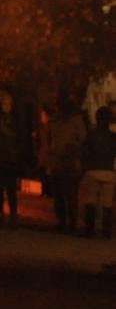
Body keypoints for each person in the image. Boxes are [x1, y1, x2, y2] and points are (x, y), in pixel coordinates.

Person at [47, 94, 87, 233]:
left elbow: (83, 140)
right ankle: (62, 221)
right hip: (58, 162)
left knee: (71, 195)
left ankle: (72, 222)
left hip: (71, 163)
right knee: (59, 195)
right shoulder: (55, 121)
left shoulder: (76, 121)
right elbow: (51, 140)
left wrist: (72, 149)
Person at [0, 88, 27, 228]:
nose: (7, 106)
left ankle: (13, 216)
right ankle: (0, 215)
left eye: (9, 103)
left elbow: (21, 137)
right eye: (4, 103)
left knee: (11, 189)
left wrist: (18, 153)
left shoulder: (16, 119)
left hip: (11, 158)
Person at [77, 106, 115, 239]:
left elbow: (83, 152)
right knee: (108, 203)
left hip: (92, 170)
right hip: (109, 171)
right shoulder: (113, 137)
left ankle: (90, 229)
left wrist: (84, 167)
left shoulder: (91, 135)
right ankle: (106, 231)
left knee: (91, 200)